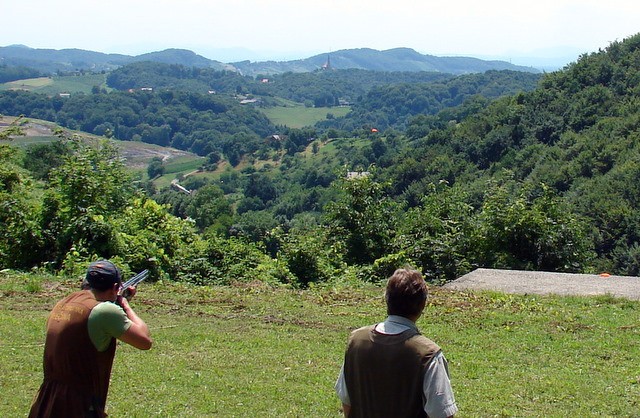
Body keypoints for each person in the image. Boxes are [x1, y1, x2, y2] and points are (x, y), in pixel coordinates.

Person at [29, 260, 152, 417]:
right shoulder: (104, 310)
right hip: (78, 406)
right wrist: (125, 304)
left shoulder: (65, 302)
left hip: (48, 399)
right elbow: (144, 340)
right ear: (115, 288)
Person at [335, 268, 458, 418]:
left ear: (386, 299)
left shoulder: (356, 341)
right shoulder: (428, 354)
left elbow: (347, 401)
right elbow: (442, 413)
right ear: (423, 304)